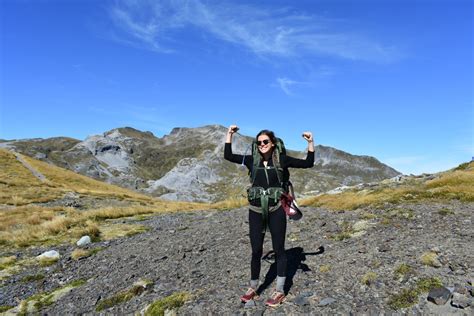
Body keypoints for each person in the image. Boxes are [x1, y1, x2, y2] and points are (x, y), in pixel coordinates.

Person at [224, 125, 315, 307]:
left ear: (272, 143)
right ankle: (253, 287)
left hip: (276, 210)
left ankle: (280, 290)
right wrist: (229, 135)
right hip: (256, 211)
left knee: (279, 249)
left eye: (265, 142)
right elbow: (228, 155)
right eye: (259, 143)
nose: (262, 145)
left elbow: (308, 163)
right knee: (256, 250)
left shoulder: (282, 160)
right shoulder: (251, 161)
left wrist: (310, 142)